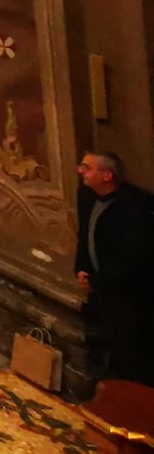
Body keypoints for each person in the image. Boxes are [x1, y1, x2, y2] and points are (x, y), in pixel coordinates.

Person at [75, 150, 154, 387]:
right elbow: (85, 236)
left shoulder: (135, 207)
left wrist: (100, 281)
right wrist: (81, 268)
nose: (80, 171)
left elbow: (132, 256)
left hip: (132, 296)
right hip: (101, 293)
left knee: (133, 355)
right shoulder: (86, 196)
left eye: (87, 167)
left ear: (107, 175)